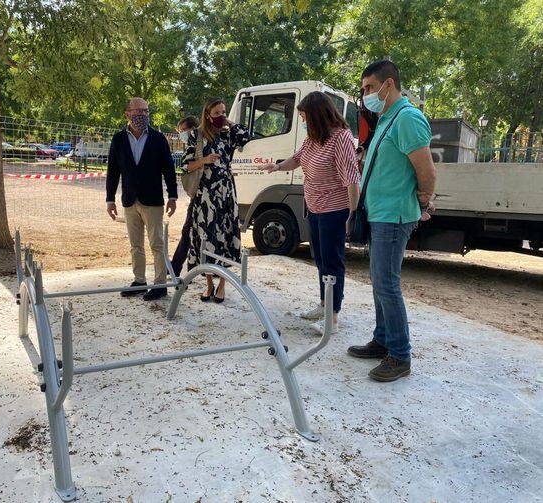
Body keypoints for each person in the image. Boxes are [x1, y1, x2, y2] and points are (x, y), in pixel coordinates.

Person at [347, 60, 436, 382]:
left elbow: (426, 172)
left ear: (389, 84)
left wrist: (423, 200)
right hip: (380, 212)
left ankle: (400, 355)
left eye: (369, 88)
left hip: (394, 215)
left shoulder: (408, 119)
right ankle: (382, 340)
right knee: (379, 281)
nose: (365, 95)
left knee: (387, 284)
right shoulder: (387, 119)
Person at [261, 92, 361, 335]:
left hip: (335, 211)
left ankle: (333, 316)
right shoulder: (314, 138)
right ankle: (325, 304)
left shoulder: (341, 138)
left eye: (305, 116)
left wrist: (352, 213)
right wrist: (278, 166)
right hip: (315, 208)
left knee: (332, 262)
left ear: (317, 114)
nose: (303, 121)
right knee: (320, 260)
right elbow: (298, 158)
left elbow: (351, 179)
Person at [106, 97, 178, 301]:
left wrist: (172, 195)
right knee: (135, 244)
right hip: (129, 200)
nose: (142, 115)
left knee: (157, 244)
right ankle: (139, 281)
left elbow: (169, 170)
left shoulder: (158, 138)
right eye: (138, 111)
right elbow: (113, 170)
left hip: (153, 200)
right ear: (127, 113)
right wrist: (109, 199)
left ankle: (160, 284)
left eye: (146, 111)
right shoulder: (118, 139)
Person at [181, 97, 250, 303]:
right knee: (206, 237)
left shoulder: (229, 135)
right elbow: (185, 166)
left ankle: (222, 285)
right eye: (217, 114)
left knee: (225, 236)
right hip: (205, 195)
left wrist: (228, 122)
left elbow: (247, 136)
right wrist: (204, 160)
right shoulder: (197, 135)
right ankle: (209, 284)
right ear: (207, 115)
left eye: (223, 112)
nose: (221, 116)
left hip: (226, 193)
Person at [170, 116, 199, 276]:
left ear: (192, 129)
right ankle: (177, 266)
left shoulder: (197, 145)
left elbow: (187, 167)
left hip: (201, 196)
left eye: (183, 131)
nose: (181, 134)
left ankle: (176, 267)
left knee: (188, 231)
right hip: (196, 194)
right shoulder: (192, 145)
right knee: (188, 232)